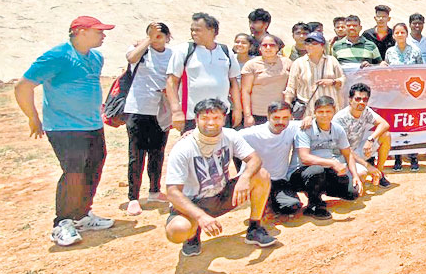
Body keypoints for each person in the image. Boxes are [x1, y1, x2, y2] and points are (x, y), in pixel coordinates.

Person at [15, 15, 116, 247]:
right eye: (98, 31)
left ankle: (81, 215)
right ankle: (62, 223)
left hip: (92, 125)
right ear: (80, 32)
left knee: (93, 168)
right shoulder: (57, 56)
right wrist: (33, 117)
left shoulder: (96, 58)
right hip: (65, 127)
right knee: (73, 173)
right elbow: (23, 86)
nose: (103, 35)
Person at [163, 98, 277, 256]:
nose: (211, 122)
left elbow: (255, 159)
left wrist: (244, 178)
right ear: (196, 120)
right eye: (204, 118)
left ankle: (254, 227)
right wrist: (201, 216)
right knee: (177, 230)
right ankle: (192, 235)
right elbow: (172, 192)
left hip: (222, 195)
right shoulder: (183, 148)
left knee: (261, 175)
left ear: (224, 119)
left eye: (216, 118)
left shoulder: (230, 135)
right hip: (194, 203)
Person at [123, 22, 174, 217]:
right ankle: (133, 198)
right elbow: (130, 58)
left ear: (168, 37)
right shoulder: (140, 51)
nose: (156, 39)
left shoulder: (172, 55)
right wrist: (146, 41)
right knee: (136, 154)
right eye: (151, 35)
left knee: (157, 152)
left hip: (161, 109)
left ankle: (154, 190)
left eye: (160, 36)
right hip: (138, 108)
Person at [166, 13, 241, 133]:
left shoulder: (225, 51)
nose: (193, 33)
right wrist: (176, 111)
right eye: (192, 30)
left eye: (198, 30)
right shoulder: (184, 50)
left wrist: (237, 109)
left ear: (211, 30)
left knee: (220, 150)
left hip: (220, 115)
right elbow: (171, 82)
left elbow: (233, 82)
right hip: (192, 116)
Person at [291, 96, 361, 219]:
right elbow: (304, 158)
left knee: (352, 193)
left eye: (328, 111)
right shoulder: (306, 129)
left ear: (334, 111)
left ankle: (319, 191)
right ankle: (314, 205)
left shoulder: (337, 129)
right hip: (301, 173)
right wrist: (333, 163)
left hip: (325, 170)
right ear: (314, 113)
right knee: (317, 170)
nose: (324, 115)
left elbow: (347, 153)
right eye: (320, 112)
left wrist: (355, 176)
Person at [239, 101, 305, 217]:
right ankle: (262, 201)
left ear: (291, 117)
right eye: (276, 118)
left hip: (279, 180)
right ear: (268, 117)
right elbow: (231, 137)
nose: (281, 122)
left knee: (292, 206)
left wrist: (308, 118)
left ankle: (270, 201)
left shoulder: (291, 127)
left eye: (285, 118)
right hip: (258, 180)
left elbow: (314, 122)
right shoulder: (253, 133)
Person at [334, 83, 392, 187]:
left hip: (357, 149)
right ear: (350, 100)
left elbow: (384, 124)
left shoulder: (366, 111)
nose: (361, 102)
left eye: (365, 99)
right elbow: (346, 150)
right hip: (342, 156)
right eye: (358, 99)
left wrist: (371, 140)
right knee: (362, 175)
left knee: (386, 135)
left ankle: (379, 173)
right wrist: (368, 166)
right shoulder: (340, 119)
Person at [385, 23, 424, 172]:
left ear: (407, 34)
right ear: (393, 35)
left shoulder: (415, 51)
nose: (400, 35)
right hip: (394, 95)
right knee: (396, 126)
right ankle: (397, 157)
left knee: (411, 126)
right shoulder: (389, 52)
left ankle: (413, 157)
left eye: (402, 32)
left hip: (411, 94)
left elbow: (422, 71)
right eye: (397, 33)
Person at [284, 32, 346, 116]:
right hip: (307, 112)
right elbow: (291, 88)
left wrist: (332, 82)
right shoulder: (298, 63)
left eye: (314, 43)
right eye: (307, 43)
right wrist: (286, 109)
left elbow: (343, 79)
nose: (310, 45)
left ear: (323, 46)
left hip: (329, 111)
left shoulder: (332, 61)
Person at [240, 35, 292, 127]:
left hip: (280, 113)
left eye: (272, 45)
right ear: (260, 48)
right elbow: (245, 91)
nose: (268, 48)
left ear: (277, 47)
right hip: (258, 114)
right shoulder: (251, 65)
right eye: (264, 45)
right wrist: (247, 116)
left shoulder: (287, 63)